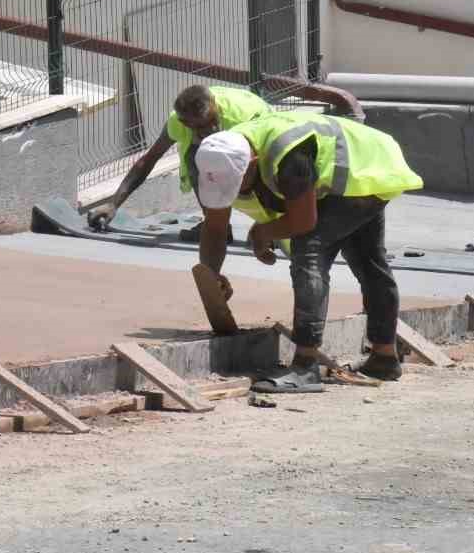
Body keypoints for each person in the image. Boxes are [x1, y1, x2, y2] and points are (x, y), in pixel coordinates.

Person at [191, 112, 423, 393]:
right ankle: (384, 357)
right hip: (356, 167)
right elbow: (215, 225)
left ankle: (305, 365)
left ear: (252, 162)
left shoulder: (289, 158)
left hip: (369, 163)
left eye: (237, 183)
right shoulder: (218, 156)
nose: (234, 192)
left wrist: (264, 232)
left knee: (309, 250)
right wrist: (211, 275)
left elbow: (303, 222)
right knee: (367, 258)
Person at [87, 83, 363, 231]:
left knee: (271, 187)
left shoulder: (245, 112)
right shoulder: (178, 122)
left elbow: (275, 149)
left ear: (215, 109)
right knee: (199, 158)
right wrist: (114, 204)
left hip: (264, 153)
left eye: (207, 124)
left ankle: (281, 223)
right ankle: (216, 224)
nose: (203, 131)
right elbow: (148, 160)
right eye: (194, 127)